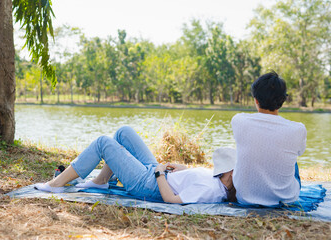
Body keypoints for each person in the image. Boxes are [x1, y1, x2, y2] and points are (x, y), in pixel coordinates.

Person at [35, 126, 237, 204]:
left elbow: (172, 199)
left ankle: (56, 184)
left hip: (149, 184)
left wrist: (159, 174)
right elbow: (196, 176)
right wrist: (180, 167)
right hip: (157, 174)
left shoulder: (211, 190)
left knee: (103, 143)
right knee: (124, 133)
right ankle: (101, 181)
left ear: (230, 174)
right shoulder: (216, 180)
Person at [231, 71, 307, 206]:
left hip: (245, 197)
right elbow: (300, 152)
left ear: (256, 100)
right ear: (283, 100)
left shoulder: (238, 120)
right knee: (292, 156)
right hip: (286, 199)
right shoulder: (298, 129)